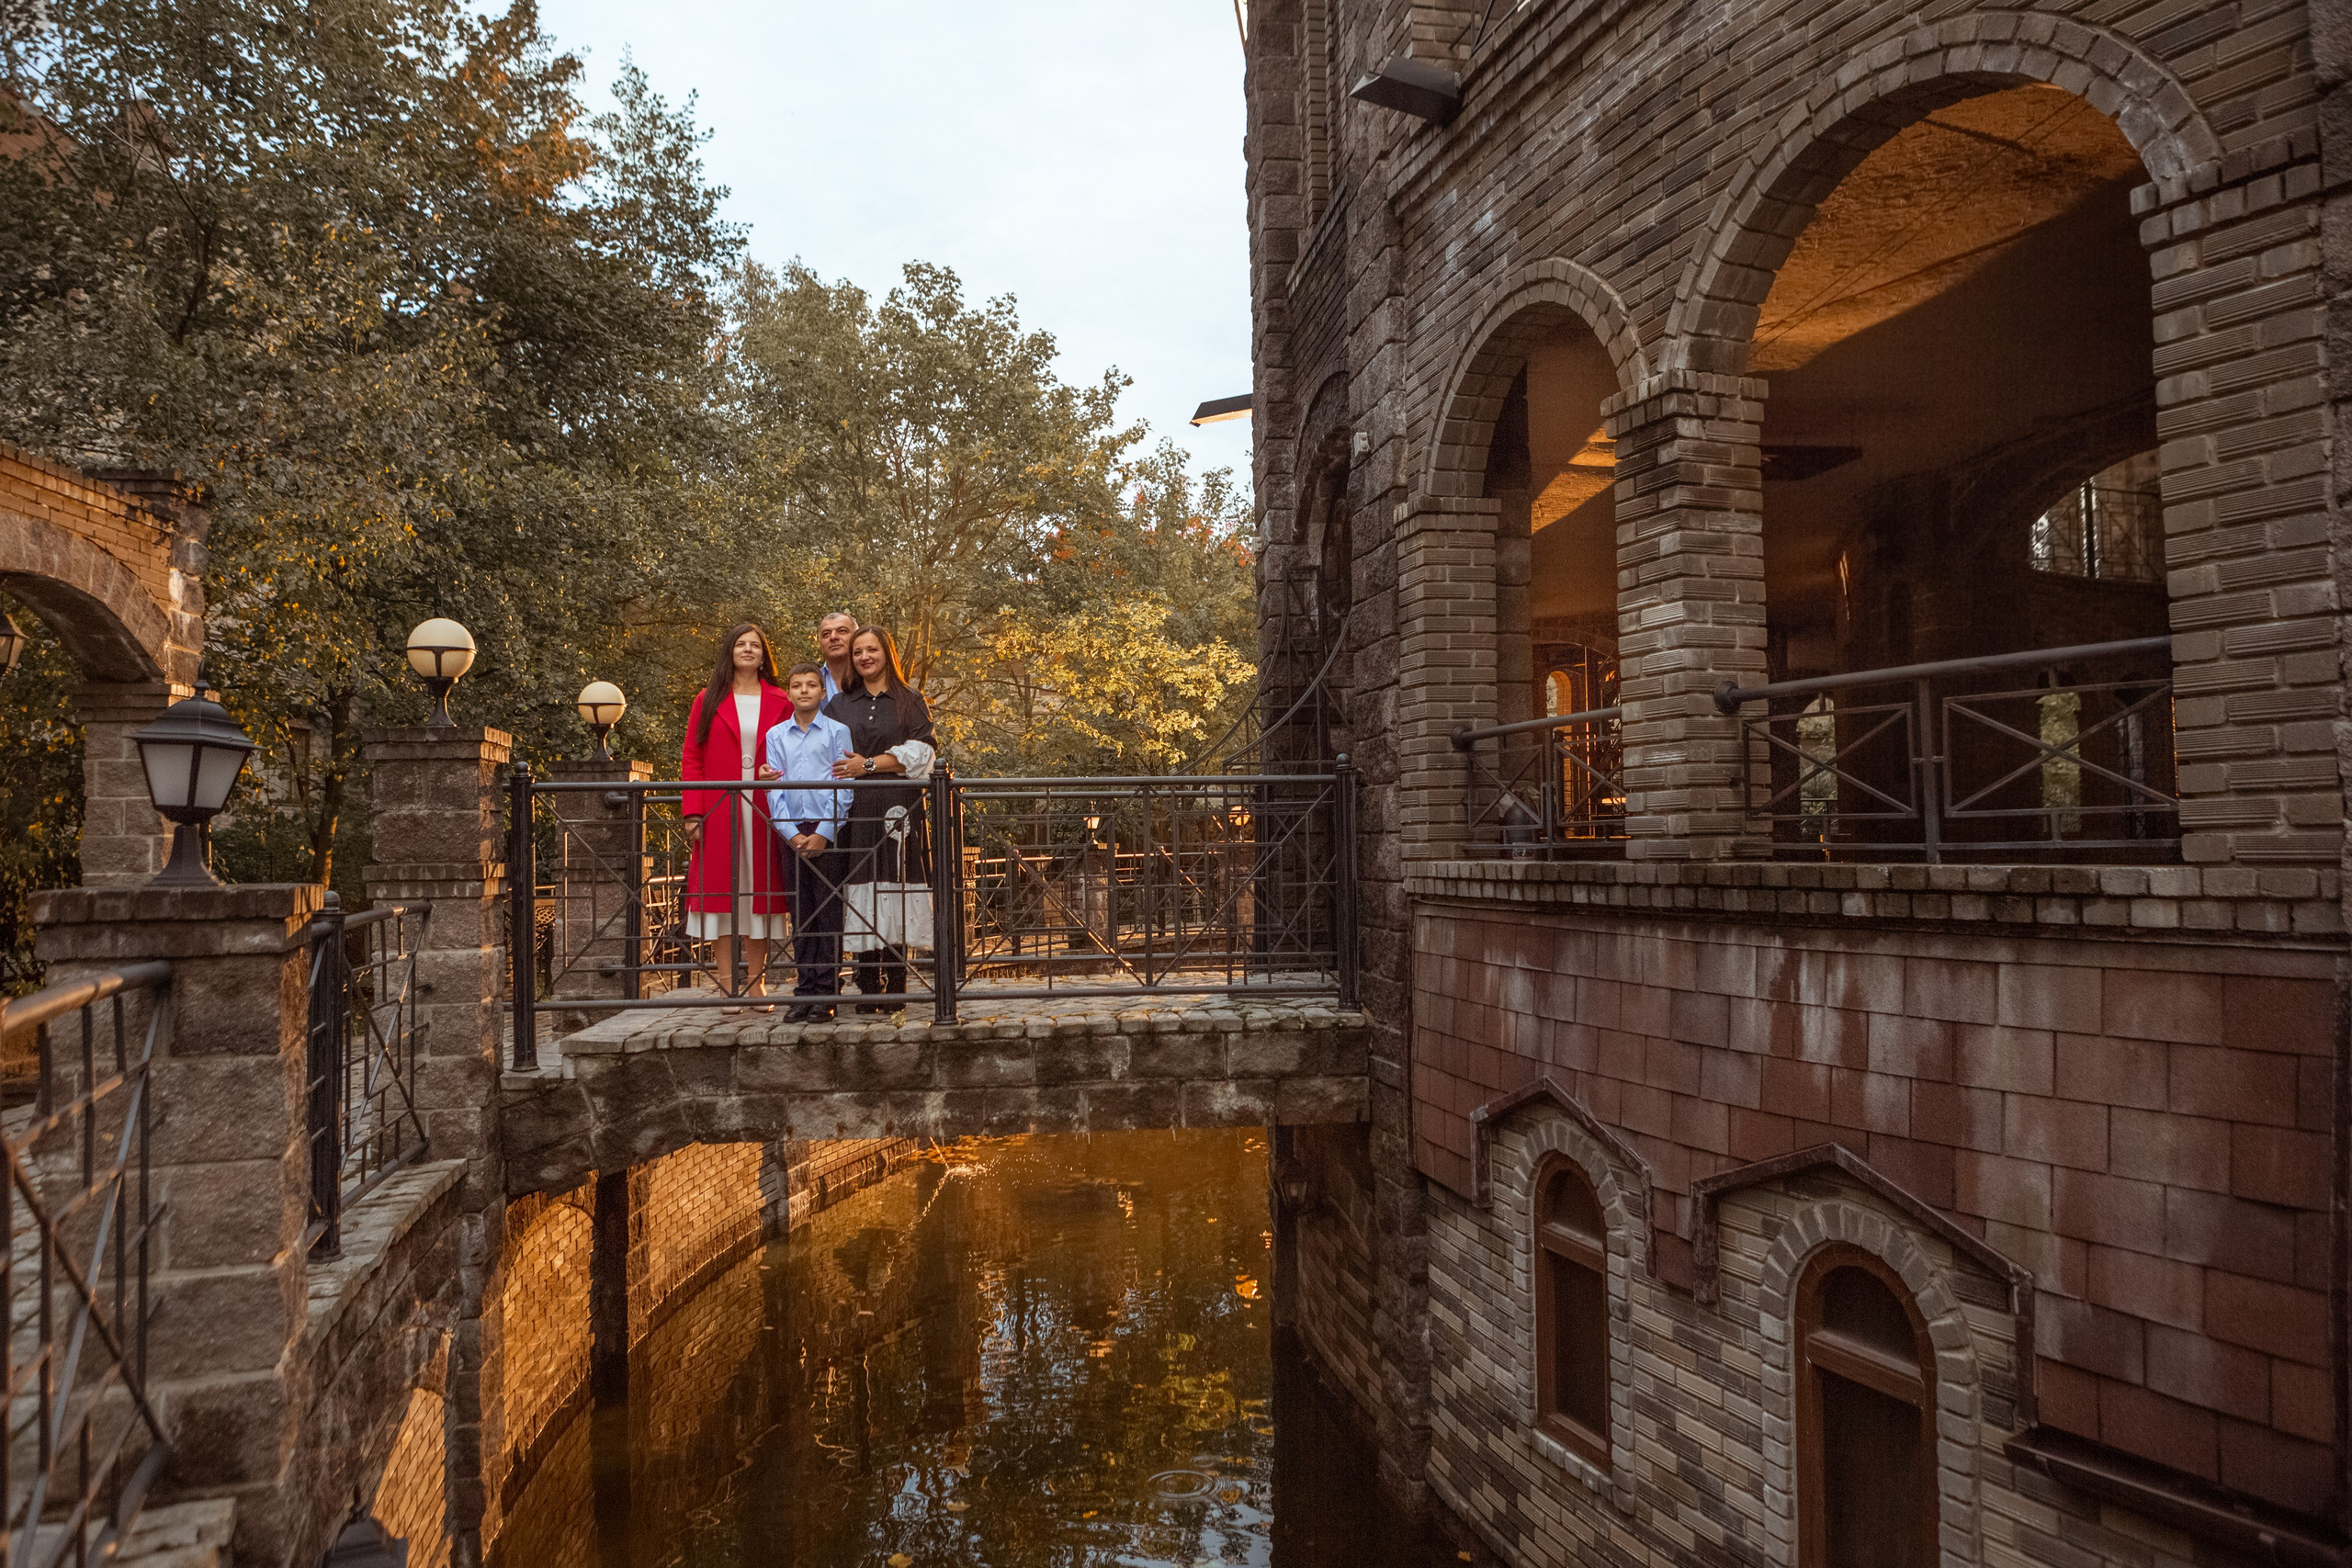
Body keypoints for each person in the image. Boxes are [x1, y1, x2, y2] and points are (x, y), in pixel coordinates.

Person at [826, 626, 936, 1012]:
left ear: (887, 653)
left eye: (871, 650)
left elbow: (922, 753)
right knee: (860, 887)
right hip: (854, 809)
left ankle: (897, 981)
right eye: (858, 652)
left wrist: (868, 764)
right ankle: (868, 981)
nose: (864, 657)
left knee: (895, 884)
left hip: (897, 807)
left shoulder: (910, 700)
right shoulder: (840, 704)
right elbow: (820, 750)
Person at [680, 624, 792, 1000]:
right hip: (717, 808)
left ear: (764, 655)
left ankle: (756, 984)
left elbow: (795, 753)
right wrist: (693, 813)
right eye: (741, 644)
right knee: (721, 898)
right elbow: (692, 758)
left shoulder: (782, 700)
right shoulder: (707, 700)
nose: (747, 650)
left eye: (755, 645)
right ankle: (728, 985)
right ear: (730, 652)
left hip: (765, 808)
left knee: (759, 896)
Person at [763, 663, 853, 1022]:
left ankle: (827, 991)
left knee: (827, 910)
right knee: (800, 912)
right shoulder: (776, 736)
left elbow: (844, 785)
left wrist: (824, 831)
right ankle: (804, 989)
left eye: (811, 685)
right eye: (796, 685)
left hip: (825, 828)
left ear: (822, 691)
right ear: (788, 692)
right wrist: (791, 833)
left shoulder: (837, 731)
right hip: (792, 830)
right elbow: (773, 788)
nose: (804, 691)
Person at [815, 611, 857, 702]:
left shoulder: (870, 679)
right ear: (820, 643)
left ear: (856, 637)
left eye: (842, 631)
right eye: (826, 634)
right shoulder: (810, 683)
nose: (833, 637)